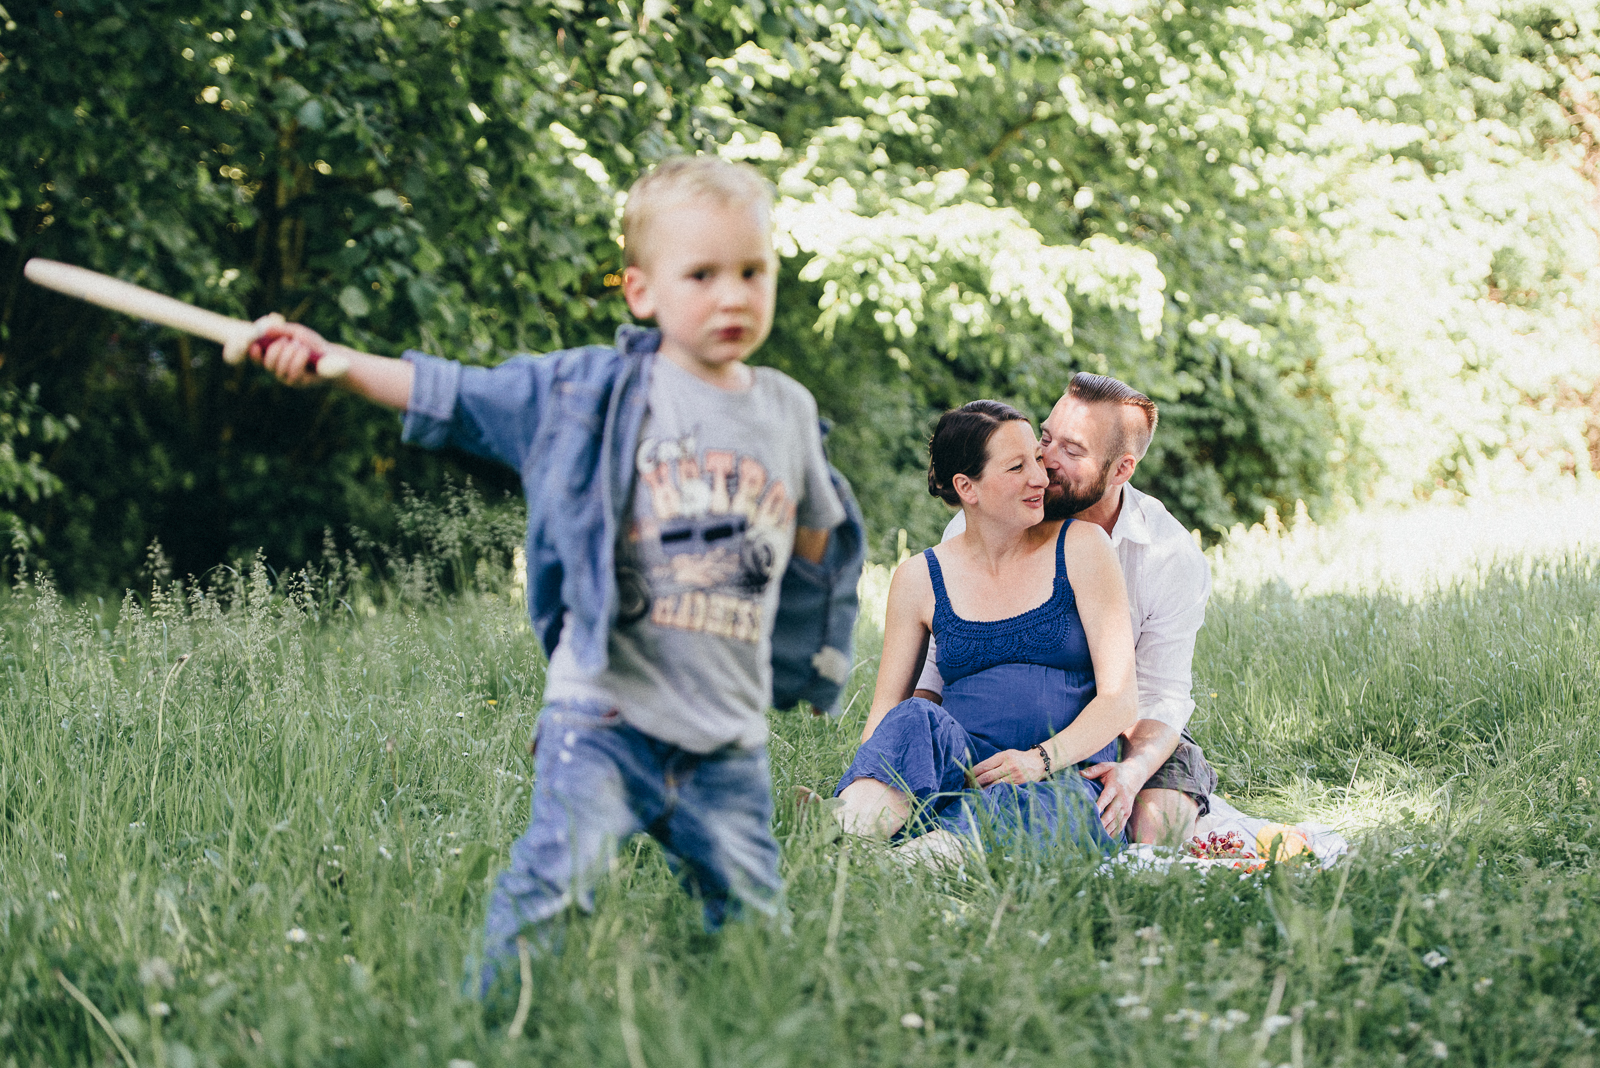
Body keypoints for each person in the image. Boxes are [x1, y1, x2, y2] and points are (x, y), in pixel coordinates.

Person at [245, 156, 863, 989]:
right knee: (550, 885)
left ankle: (749, 1031)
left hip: (726, 738)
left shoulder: (785, 406)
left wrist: (800, 640)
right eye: (703, 274)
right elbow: (454, 394)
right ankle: (488, 1026)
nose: (733, 296)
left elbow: (823, 531)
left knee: (755, 923)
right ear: (642, 291)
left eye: (753, 272)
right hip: (604, 714)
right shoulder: (588, 392)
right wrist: (338, 361)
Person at [914, 373, 1217, 845]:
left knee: (1154, 832)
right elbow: (941, 658)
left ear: (1121, 470)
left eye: (1072, 452)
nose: (1046, 463)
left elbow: (1161, 696)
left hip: (1127, 728)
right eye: (1046, 438)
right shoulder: (989, 520)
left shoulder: (1167, 554)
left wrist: (1131, 773)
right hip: (1004, 725)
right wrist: (909, 752)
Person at [831, 401, 1138, 861]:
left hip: (1061, 776)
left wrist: (1039, 760)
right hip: (961, 768)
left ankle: (908, 861)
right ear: (966, 487)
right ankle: (842, 833)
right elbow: (885, 712)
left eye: (1037, 457)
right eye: (1018, 467)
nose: (1040, 476)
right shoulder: (919, 578)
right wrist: (872, 768)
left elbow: (1120, 699)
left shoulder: (1081, 547)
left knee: (1021, 811)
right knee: (915, 717)